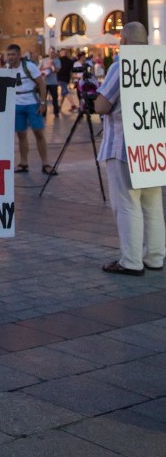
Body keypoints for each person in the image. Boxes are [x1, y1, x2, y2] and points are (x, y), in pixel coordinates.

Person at [94, 22, 165, 275]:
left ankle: (131, 261)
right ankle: (155, 257)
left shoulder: (121, 66)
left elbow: (101, 106)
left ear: (122, 42)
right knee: (153, 202)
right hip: (153, 144)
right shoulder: (159, 64)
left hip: (123, 144)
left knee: (126, 203)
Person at [6, 43, 52, 175]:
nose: (10, 57)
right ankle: (23, 162)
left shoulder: (29, 67)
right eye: (8, 54)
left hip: (32, 103)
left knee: (38, 132)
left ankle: (45, 163)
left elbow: (41, 84)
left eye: (13, 54)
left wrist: (43, 103)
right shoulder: (8, 69)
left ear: (19, 55)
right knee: (21, 134)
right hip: (17, 104)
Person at [39, 49, 60, 116]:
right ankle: (44, 112)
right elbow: (39, 69)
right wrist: (45, 68)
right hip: (45, 82)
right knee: (43, 98)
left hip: (53, 82)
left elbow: (57, 70)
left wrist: (52, 67)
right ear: (48, 53)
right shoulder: (44, 60)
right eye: (50, 52)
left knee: (55, 98)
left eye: (53, 53)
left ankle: (56, 112)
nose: (52, 54)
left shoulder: (57, 60)